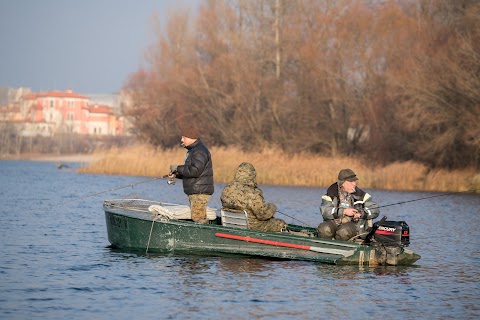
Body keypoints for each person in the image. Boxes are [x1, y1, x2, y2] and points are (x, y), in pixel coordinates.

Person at [221, 162, 287, 232]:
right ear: (252, 175)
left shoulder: (227, 188)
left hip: (230, 223)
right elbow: (263, 215)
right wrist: (272, 207)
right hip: (253, 226)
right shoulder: (253, 193)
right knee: (281, 223)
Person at [317, 168, 379, 241]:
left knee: (343, 232)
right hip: (335, 222)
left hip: (355, 225)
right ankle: (325, 247)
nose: (354, 184)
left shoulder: (362, 196)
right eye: (351, 181)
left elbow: (375, 210)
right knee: (324, 229)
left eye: (355, 181)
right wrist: (344, 211)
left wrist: (361, 214)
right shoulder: (330, 194)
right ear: (342, 183)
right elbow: (325, 212)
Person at [169, 127, 214, 224]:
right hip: (197, 192)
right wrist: (176, 174)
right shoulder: (194, 150)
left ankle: (204, 237)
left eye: (183, 137)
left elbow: (195, 171)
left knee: (198, 218)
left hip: (200, 192)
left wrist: (177, 168)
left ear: (191, 138)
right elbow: (191, 172)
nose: (181, 140)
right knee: (198, 217)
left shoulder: (199, 151)